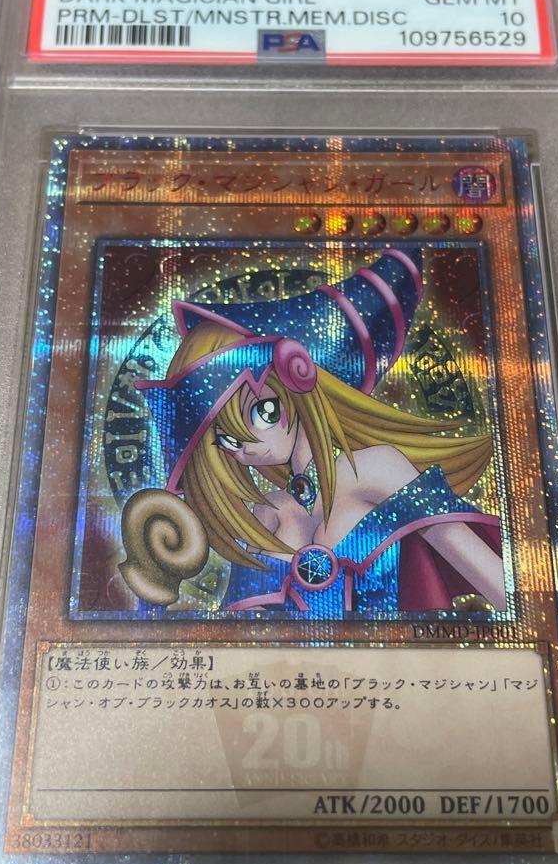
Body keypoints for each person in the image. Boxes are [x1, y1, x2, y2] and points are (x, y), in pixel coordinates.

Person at [120, 246, 504, 617]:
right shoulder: (268, 511)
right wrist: (154, 595)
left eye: (262, 412)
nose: (244, 449)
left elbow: (498, 585)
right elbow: (243, 633)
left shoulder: (376, 469)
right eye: (227, 439)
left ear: (299, 383)